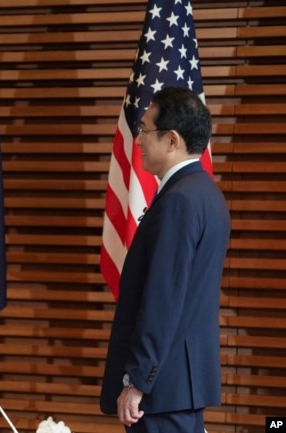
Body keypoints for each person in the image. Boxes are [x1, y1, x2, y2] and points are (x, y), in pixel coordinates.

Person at [100, 86, 231, 433]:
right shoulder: (207, 194)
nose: (138, 140)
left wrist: (138, 381)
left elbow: (163, 300)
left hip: (160, 390)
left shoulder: (179, 201)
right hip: (181, 385)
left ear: (172, 140)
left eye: (144, 130)